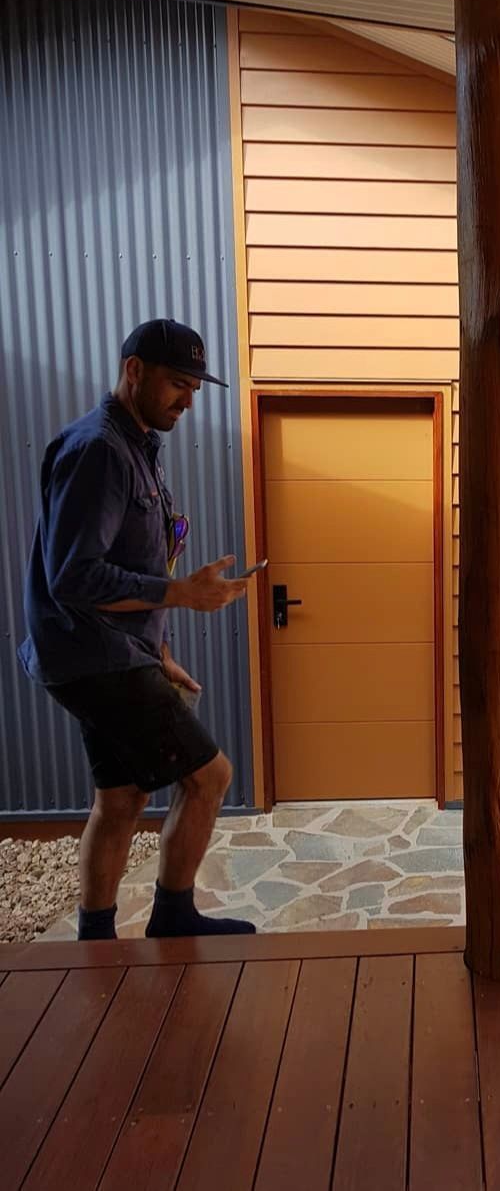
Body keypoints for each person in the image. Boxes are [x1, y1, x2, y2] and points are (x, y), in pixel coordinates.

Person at [19, 319, 254, 941]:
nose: (188, 398)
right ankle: (173, 918)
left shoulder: (137, 446)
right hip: (95, 657)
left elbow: (129, 566)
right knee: (210, 776)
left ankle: (95, 937)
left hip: (112, 653)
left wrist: (160, 650)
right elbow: (74, 576)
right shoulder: (99, 449)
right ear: (134, 372)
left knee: (120, 798)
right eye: (179, 383)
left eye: (195, 387)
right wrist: (183, 594)